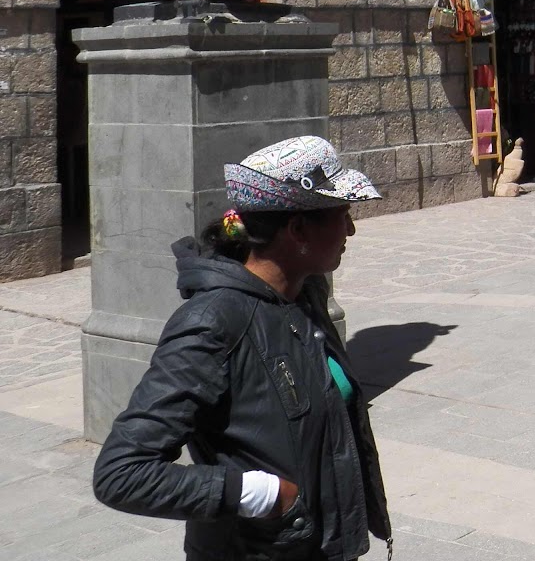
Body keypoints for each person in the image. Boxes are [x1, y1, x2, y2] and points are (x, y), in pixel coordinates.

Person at [93, 136, 390, 560]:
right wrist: (264, 494)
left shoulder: (304, 296)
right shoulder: (213, 321)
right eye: (343, 215)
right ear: (299, 229)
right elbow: (121, 474)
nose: (352, 229)